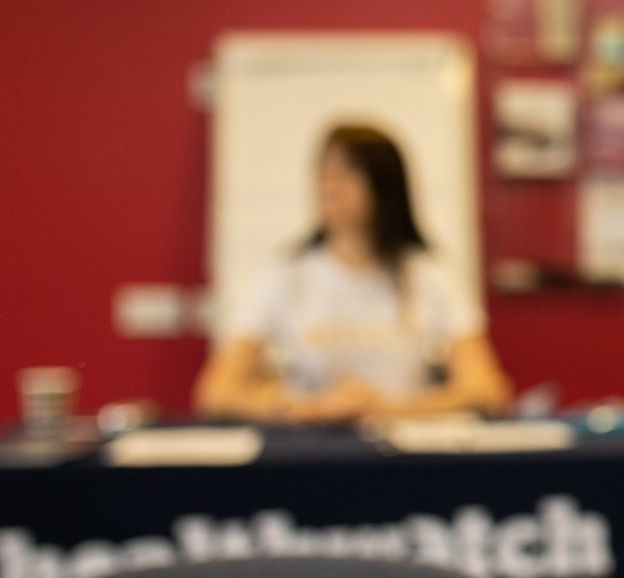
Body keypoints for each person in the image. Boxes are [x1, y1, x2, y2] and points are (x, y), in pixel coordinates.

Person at [194, 123, 511, 422]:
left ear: (384, 185)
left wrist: (389, 409)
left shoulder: (428, 273)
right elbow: (217, 392)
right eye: (324, 172)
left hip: (401, 454)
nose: (330, 185)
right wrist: (304, 407)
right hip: (309, 453)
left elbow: (486, 389)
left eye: (347, 172)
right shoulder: (284, 273)